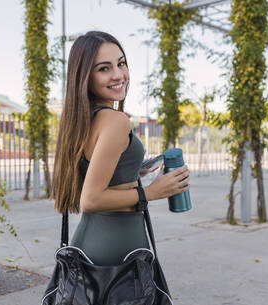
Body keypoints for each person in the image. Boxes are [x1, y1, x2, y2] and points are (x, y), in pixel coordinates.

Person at [51, 30, 190, 267]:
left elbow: (98, 172)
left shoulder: (83, 119)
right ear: (85, 76)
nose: (118, 75)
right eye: (104, 68)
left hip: (92, 244)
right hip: (117, 250)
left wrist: (135, 171)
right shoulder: (116, 121)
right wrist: (154, 191)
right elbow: (91, 199)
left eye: (121, 63)